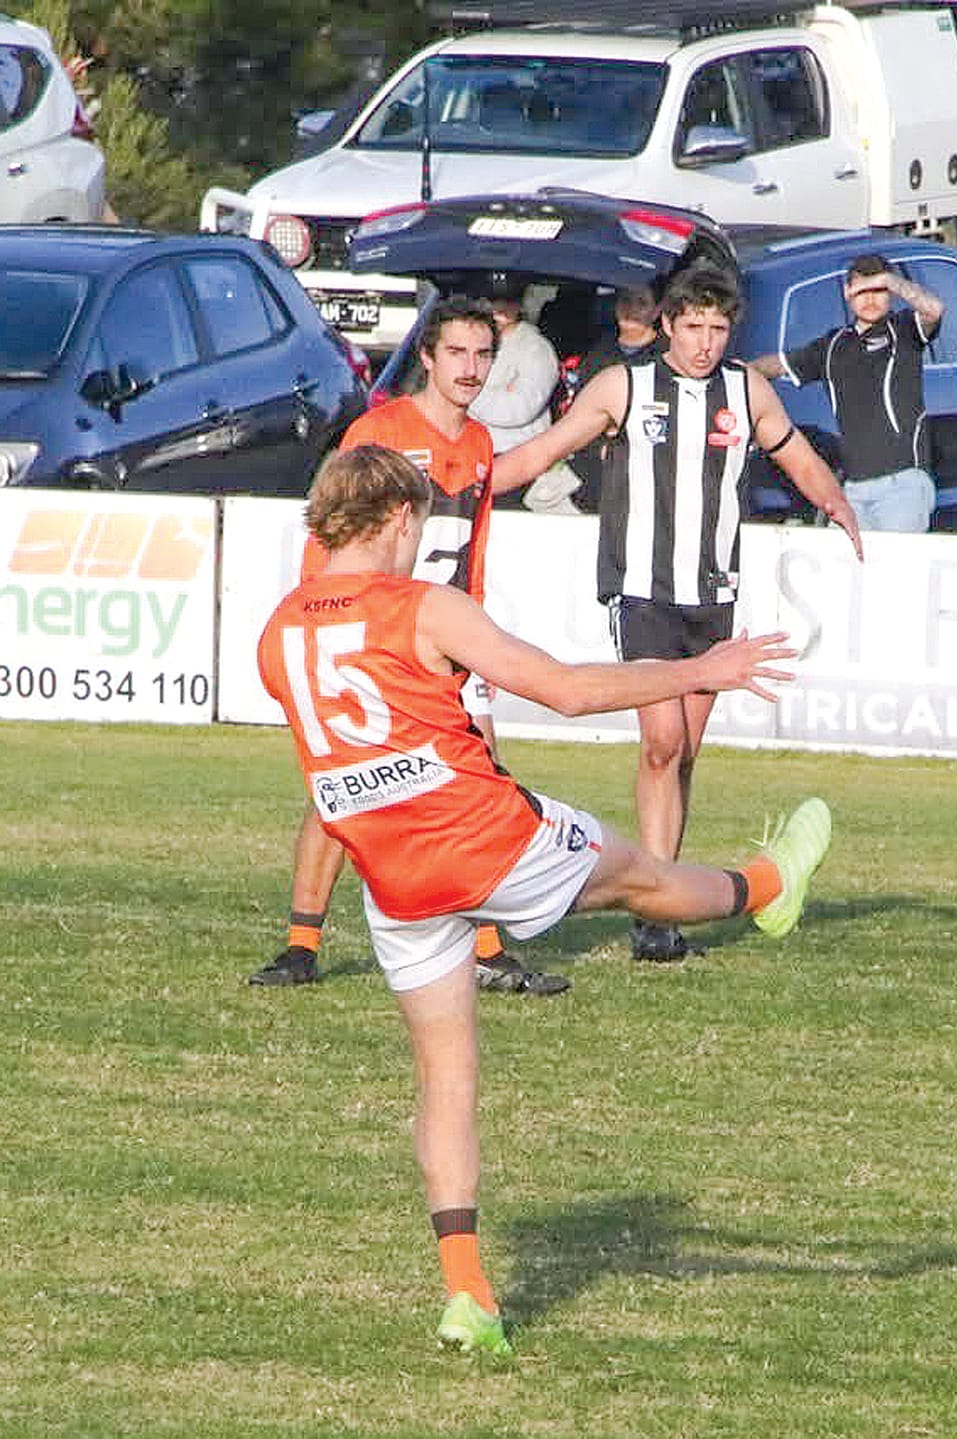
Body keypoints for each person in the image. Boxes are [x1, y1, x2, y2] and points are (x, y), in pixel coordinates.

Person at [256, 444, 833, 1359]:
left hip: (394, 882)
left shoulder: (279, 630)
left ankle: (468, 1292)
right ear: (400, 519)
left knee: (446, 1082)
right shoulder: (424, 606)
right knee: (643, 875)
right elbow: (565, 690)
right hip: (488, 840)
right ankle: (768, 885)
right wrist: (700, 671)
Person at [501, 264, 864, 965]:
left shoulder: (746, 390)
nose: (704, 341)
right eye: (692, 326)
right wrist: (470, 482)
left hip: (713, 594)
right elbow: (548, 448)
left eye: (717, 328)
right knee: (661, 741)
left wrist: (837, 502)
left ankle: (657, 914)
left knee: (684, 753)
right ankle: (655, 899)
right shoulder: (625, 385)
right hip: (641, 592)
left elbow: (795, 453)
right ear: (667, 324)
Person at [249, 296, 569, 996]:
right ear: (425, 356)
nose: (471, 368)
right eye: (456, 352)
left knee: (478, 778)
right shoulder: (382, 430)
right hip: (376, 638)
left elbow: (473, 545)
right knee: (345, 791)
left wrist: (472, 640)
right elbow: (331, 532)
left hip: (447, 637)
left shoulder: (480, 442)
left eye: (484, 355)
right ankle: (301, 944)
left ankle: (485, 947)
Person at [750, 253, 945, 533]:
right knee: (843, 571)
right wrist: (731, 370)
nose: (870, 298)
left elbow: (934, 310)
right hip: (852, 490)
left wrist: (889, 279)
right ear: (847, 294)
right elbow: (775, 365)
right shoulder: (832, 346)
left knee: (895, 573)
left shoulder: (903, 330)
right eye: (862, 290)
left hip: (903, 485)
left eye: (878, 290)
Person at [468, 281, 580, 515]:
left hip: (520, 466)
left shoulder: (536, 348)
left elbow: (518, 408)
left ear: (519, 304)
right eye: (490, 302)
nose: (498, 310)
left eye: (506, 302)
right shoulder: (473, 345)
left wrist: (469, 393)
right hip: (471, 460)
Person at [567, 284, 665, 514]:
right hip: (595, 474)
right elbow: (578, 415)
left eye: (641, 303)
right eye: (625, 302)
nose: (630, 310)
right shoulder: (598, 354)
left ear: (658, 309)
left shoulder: (668, 357)